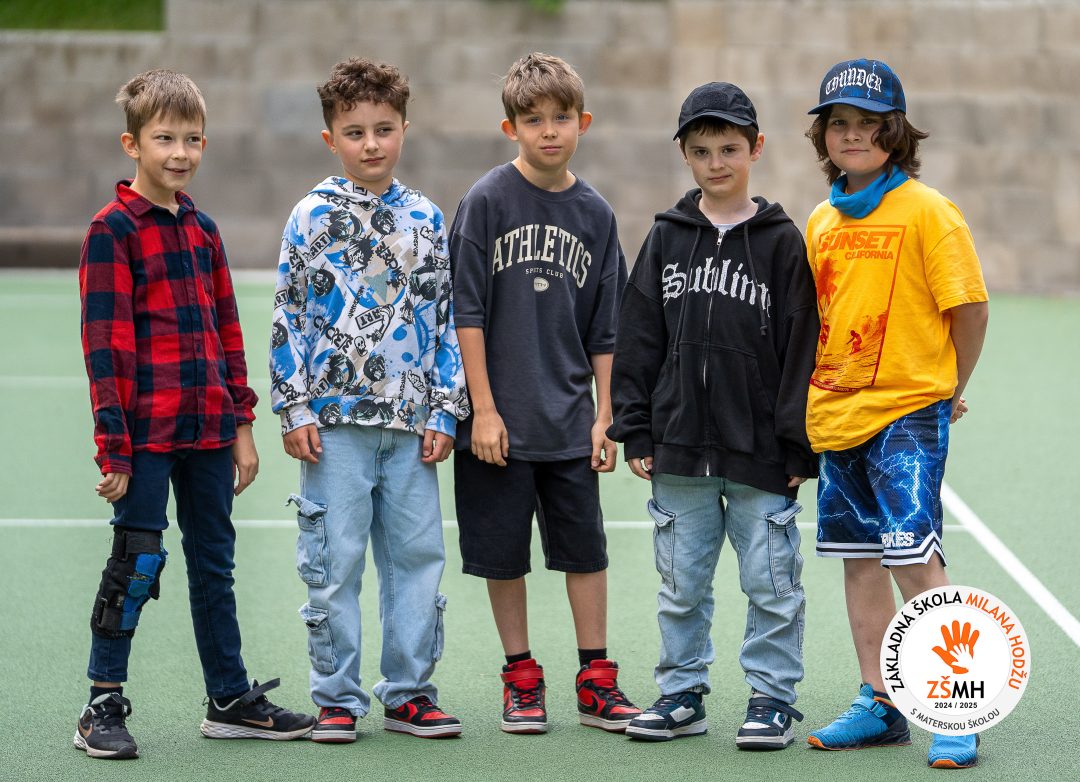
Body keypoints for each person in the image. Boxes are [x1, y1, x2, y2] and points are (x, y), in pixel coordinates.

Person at [76, 69, 315, 760]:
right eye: (164, 139)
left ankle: (229, 699)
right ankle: (101, 703)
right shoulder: (112, 231)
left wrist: (241, 427)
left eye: (192, 139)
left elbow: (226, 331)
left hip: (209, 429)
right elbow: (105, 349)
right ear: (133, 144)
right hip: (146, 436)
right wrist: (114, 448)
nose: (179, 153)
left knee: (215, 563)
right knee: (136, 562)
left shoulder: (204, 231)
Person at [607, 83, 819, 748]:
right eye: (701, 151)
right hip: (678, 448)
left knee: (772, 584)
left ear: (756, 149)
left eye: (729, 148)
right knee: (681, 585)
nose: (716, 162)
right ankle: (681, 695)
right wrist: (635, 427)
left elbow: (802, 349)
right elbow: (638, 336)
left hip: (760, 452)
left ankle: (771, 698)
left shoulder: (782, 243)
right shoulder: (667, 237)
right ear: (684, 155)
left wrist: (797, 446)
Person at [270, 57, 469, 743]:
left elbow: (445, 319)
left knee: (417, 563)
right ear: (331, 139)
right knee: (333, 564)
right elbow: (289, 314)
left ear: (404, 129)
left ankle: (410, 692)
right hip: (333, 429)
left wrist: (445, 409)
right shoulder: (309, 216)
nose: (372, 144)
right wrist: (294, 407)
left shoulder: (426, 218)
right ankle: (336, 698)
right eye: (355, 133)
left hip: (412, 429)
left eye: (384, 129)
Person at [800, 59, 989, 769]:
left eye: (868, 123)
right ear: (824, 136)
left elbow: (970, 310)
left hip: (907, 413)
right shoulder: (821, 220)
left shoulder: (928, 211)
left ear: (896, 131)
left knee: (914, 559)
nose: (852, 135)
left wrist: (949, 387)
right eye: (838, 123)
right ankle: (881, 704)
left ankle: (955, 705)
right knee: (859, 562)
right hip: (836, 416)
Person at [448, 52, 640, 735]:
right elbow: (465, 312)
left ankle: (596, 679)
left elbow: (607, 328)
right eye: (533, 120)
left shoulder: (595, 214)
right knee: (503, 556)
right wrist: (484, 410)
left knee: (586, 551)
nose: (549, 131)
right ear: (511, 129)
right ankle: (521, 678)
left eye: (561, 118)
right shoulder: (485, 202)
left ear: (583, 122)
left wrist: (607, 415)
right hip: (497, 427)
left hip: (568, 421)